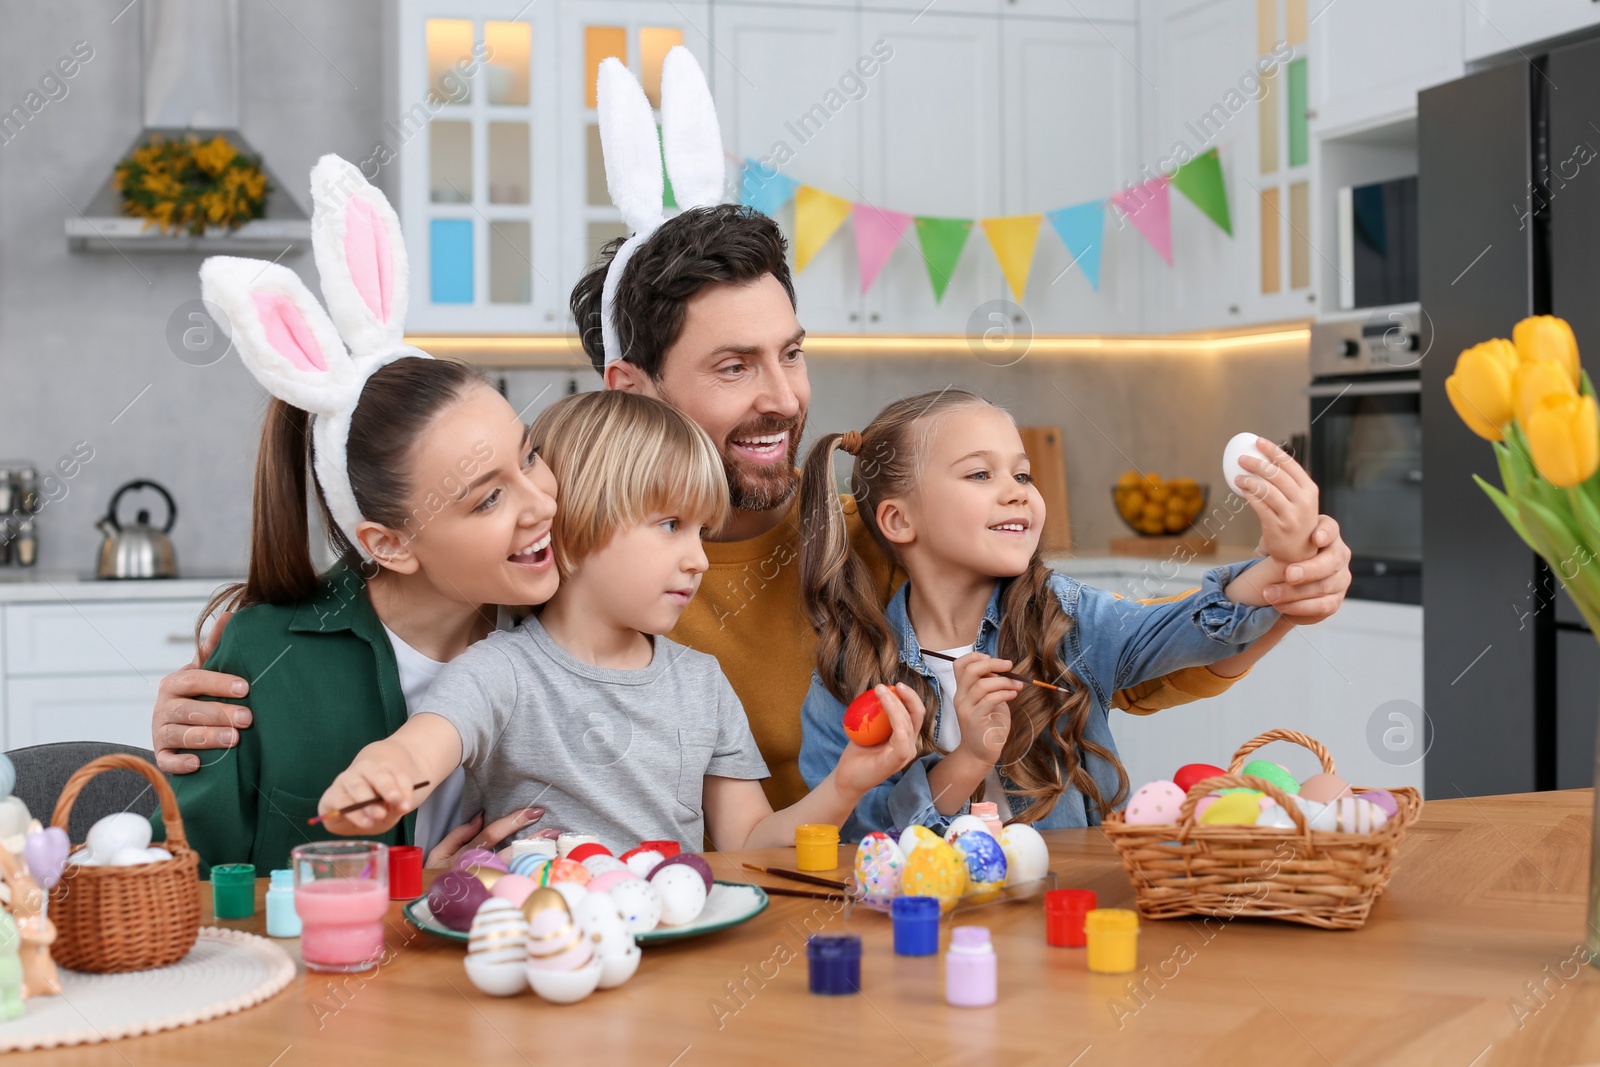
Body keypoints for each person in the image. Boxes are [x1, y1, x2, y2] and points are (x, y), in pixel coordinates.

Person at [152, 62, 1353, 813]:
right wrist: (228, 691)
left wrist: (1268, 589)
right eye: (733, 367)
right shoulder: (559, 545)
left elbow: (1083, 648)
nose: (783, 394)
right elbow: (412, 637)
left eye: (790, 349)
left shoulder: (871, 524)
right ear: (633, 386)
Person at [161, 156, 560, 874]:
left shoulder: (562, 624)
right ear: (391, 542)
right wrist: (409, 887)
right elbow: (191, 899)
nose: (543, 504)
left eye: (529, 457)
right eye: (489, 498)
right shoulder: (257, 660)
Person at [316, 391, 923, 852]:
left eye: (701, 531)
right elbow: (420, 749)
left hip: (671, 963)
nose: (698, 558)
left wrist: (847, 782)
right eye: (670, 526)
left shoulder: (702, 683)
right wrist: (382, 777)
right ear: (577, 526)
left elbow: (747, 846)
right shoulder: (500, 671)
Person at [796, 391, 1316, 837]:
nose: (1017, 491)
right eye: (980, 473)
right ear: (898, 519)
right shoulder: (849, 674)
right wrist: (971, 757)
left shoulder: (1069, 621)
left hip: (1067, 913)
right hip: (928, 930)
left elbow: (1188, 629)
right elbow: (859, 839)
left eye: (1023, 474)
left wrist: (1281, 560)